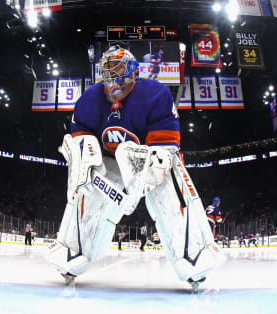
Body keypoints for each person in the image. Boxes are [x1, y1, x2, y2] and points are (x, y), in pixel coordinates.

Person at [45, 45, 224, 291]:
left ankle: (193, 256)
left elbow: (165, 151)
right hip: (109, 162)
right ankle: (72, 251)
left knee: (171, 180)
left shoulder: (156, 95)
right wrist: (84, 161)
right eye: (106, 69)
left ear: (132, 71)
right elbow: (82, 141)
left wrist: (143, 180)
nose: (110, 77)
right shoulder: (89, 99)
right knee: (87, 191)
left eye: (116, 69)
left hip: (150, 159)